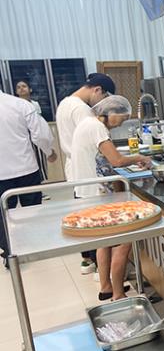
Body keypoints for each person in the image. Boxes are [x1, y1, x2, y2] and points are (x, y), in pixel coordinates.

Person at [70, 96, 151, 300]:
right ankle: (118, 294)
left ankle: (106, 287)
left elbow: (106, 162)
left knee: (104, 241)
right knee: (123, 241)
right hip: (97, 193)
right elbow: (116, 159)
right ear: (110, 113)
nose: (121, 123)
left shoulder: (87, 124)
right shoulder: (97, 127)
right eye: (121, 119)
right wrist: (140, 158)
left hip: (86, 191)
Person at [56, 72, 115, 274]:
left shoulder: (65, 102)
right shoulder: (82, 110)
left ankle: (87, 261)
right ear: (97, 89)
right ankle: (101, 270)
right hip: (87, 168)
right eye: (104, 97)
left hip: (75, 167)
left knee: (84, 215)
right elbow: (95, 139)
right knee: (95, 221)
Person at [0, 89, 57, 268]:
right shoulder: (20, 105)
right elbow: (40, 135)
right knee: (31, 211)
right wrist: (49, 152)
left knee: (2, 216)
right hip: (25, 168)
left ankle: (10, 253)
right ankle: (33, 248)